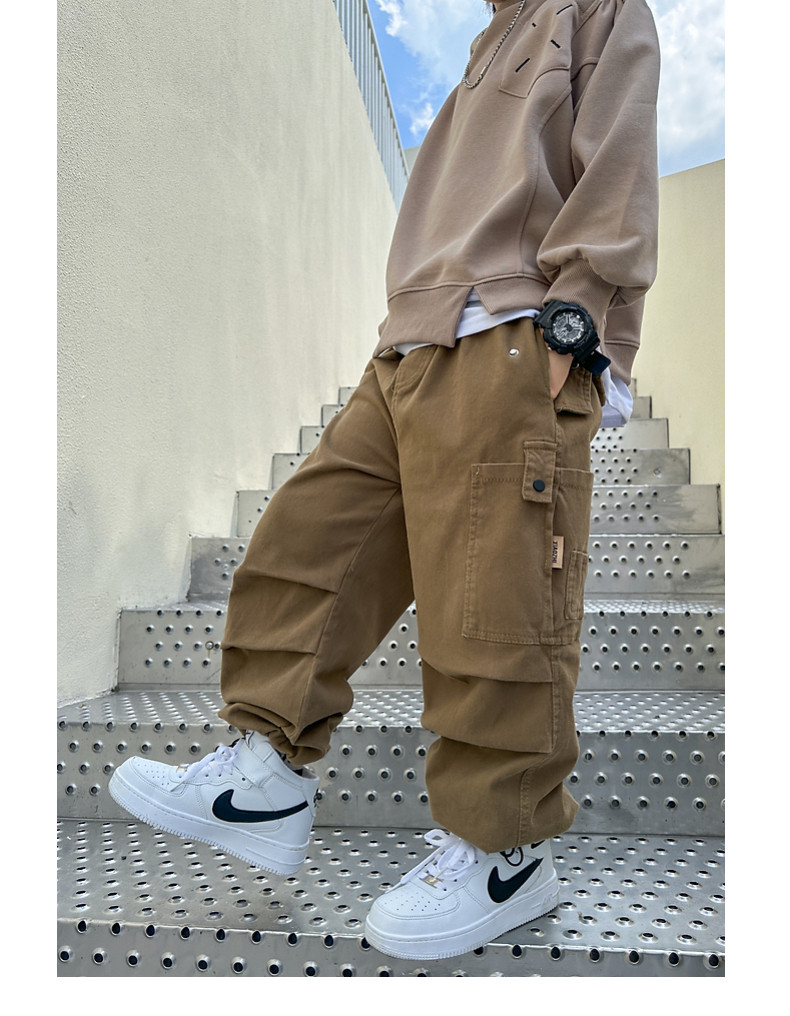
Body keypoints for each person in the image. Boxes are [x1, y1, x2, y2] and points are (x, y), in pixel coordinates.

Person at [110, 0, 660, 962]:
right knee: (307, 544)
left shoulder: (595, 8)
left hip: (512, 333)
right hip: (410, 341)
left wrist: (575, 324)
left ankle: (505, 850)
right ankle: (266, 776)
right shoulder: (490, 39)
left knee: (492, 604)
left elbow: (618, 157)